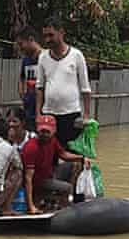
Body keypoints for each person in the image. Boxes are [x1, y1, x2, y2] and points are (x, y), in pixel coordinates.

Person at [35, 17, 92, 149]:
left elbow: (85, 88)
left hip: (71, 114)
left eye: (51, 35)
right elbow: (39, 87)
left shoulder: (76, 55)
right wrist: (38, 114)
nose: (47, 39)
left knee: (73, 152)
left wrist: (87, 116)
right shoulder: (43, 57)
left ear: (61, 33)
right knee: (49, 152)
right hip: (49, 114)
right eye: (45, 36)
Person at [21, 115, 84, 214]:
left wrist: (82, 158)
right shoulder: (31, 148)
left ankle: (60, 201)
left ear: (54, 131)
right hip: (38, 181)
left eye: (47, 131)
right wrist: (31, 207)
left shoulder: (52, 140)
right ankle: (64, 209)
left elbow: (63, 154)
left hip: (49, 174)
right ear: (38, 130)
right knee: (67, 188)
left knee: (75, 165)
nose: (44, 134)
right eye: (42, 131)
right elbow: (28, 178)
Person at [16, 27, 42, 132]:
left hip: (43, 110)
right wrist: (22, 94)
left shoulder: (46, 58)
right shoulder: (26, 60)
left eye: (21, 44)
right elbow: (22, 78)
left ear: (31, 40)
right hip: (29, 108)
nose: (20, 48)